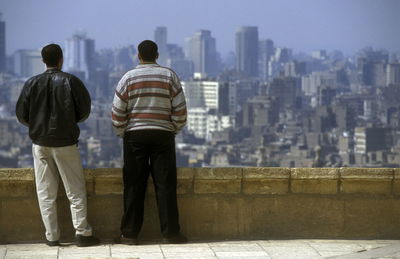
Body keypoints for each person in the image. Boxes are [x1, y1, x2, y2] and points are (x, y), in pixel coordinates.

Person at [15, 44, 99, 247]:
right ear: (61, 59)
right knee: (75, 190)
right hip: (66, 143)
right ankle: (82, 233)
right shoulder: (71, 81)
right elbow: (85, 110)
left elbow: (21, 114)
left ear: (44, 61)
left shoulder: (31, 83)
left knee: (45, 192)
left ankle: (52, 236)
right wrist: (70, 122)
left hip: (40, 143)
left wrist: (37, 126)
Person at [112, 40, 187, 245]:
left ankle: (129, 234)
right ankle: (171, 233)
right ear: (157, 55)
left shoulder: (127, 78)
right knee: (165, 185)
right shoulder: (169, 76)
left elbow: (117, 112)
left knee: (134, 185)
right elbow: (180, 111)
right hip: (163, 135)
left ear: (138, 56)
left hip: (135, 136)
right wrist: (172, 129)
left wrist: (124, 133)